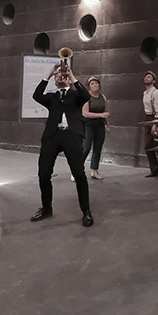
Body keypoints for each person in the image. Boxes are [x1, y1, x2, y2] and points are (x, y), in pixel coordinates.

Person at [30, 62, 93, 227]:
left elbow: (86, 96)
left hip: (72, 136)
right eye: (57, 76)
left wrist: (72, 78)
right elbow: (36, 96)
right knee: (44, 174)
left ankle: (86, 211)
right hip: (52, 136)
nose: (60, 77)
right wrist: (49, 75)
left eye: (62, 76)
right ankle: (46, 208)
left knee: (79, 173)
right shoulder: (51, 97)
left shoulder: (75, 95)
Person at [80, 76, 110, 180]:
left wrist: (108, 126)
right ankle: (76, 170)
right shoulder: (86, 97)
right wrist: (101, 115)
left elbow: (105, 112)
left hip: (100, 125)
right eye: (92, 84)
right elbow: (85, 113)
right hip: (88, 125)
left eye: (96, 83)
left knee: (98, 148)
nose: (95, 85)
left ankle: (95, 171)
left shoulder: (103, 97)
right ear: (89, 86)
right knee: (86, 148)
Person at [142, 71, 158, 177]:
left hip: (156, 118)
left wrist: (155, 124)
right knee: (148, 145)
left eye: (149, 77)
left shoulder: (156, 93)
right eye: (146, 76)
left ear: (154, 81)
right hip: (148, 118)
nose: (146, 78)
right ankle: (154, 169)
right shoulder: (145, 93)